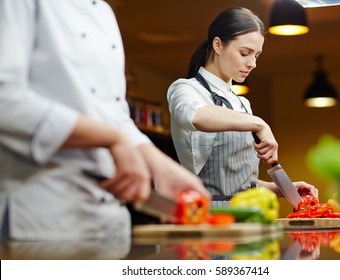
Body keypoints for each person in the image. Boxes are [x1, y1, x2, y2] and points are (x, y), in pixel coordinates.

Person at [0, 0, 209, 241]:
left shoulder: (104, 12)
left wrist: (160, 166)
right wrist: (111, 139)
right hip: (42, 215)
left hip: (106, 220)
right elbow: (5, 99)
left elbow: (114, 113)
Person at [167, 7, 317, 206]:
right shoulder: (185, 89)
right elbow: (198, 116)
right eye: (245, 53)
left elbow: (240, 183)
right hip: (211, 215)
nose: (252, 63)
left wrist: (281, 188)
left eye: (256, 55)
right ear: (218, 45)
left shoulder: (242, 103)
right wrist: (259, 124)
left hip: (250, 212)